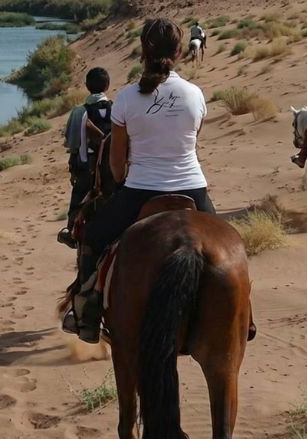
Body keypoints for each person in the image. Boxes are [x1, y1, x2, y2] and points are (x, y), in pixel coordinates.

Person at [63, 18, 216, 344]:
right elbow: (192, 142)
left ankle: (86, 311)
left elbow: (117, 163)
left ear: (143, 51)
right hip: (192, 188)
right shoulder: (195, 94)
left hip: (140, 191)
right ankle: (243, 313)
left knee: (93, 236)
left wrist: (122, 180)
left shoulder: (127, 98)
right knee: (229, 249)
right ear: (179, 51)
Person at [58, 68, 111, 248]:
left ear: (87, 86)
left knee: (78, 198)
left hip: (87, 169)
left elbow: (73, 144)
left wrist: (72, 169)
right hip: (113, 169)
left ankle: (71, 231)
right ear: (107, 86)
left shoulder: (79, 112)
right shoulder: (118, 108)